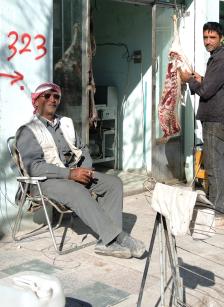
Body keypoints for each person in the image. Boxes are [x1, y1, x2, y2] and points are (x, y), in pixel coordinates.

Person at [15, 82, 146, 259]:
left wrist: (84, 170)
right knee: (76, 190)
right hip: (43, 181)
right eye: (47, 96)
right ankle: (119, 237)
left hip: (71, 174)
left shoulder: (65, 123)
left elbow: (82, 149)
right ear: (36, 101)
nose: (53, 99)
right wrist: (70, 175)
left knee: (113, 183)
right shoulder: (28, 130)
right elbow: (35, 167)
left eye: (56, 96)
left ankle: (105, 242)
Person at [180, 22, 224, 226]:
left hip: (215, 119)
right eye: (205, 37)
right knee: (220, 164)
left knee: (213, 166)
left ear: (220, 37)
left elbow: (205, 91)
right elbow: (214, 84)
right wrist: (201, 78)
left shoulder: (222, 59)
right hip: (218, 117)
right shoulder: (220, 58)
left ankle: (217, 212)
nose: (208, 41)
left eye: (212, 38)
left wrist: (189, 80)